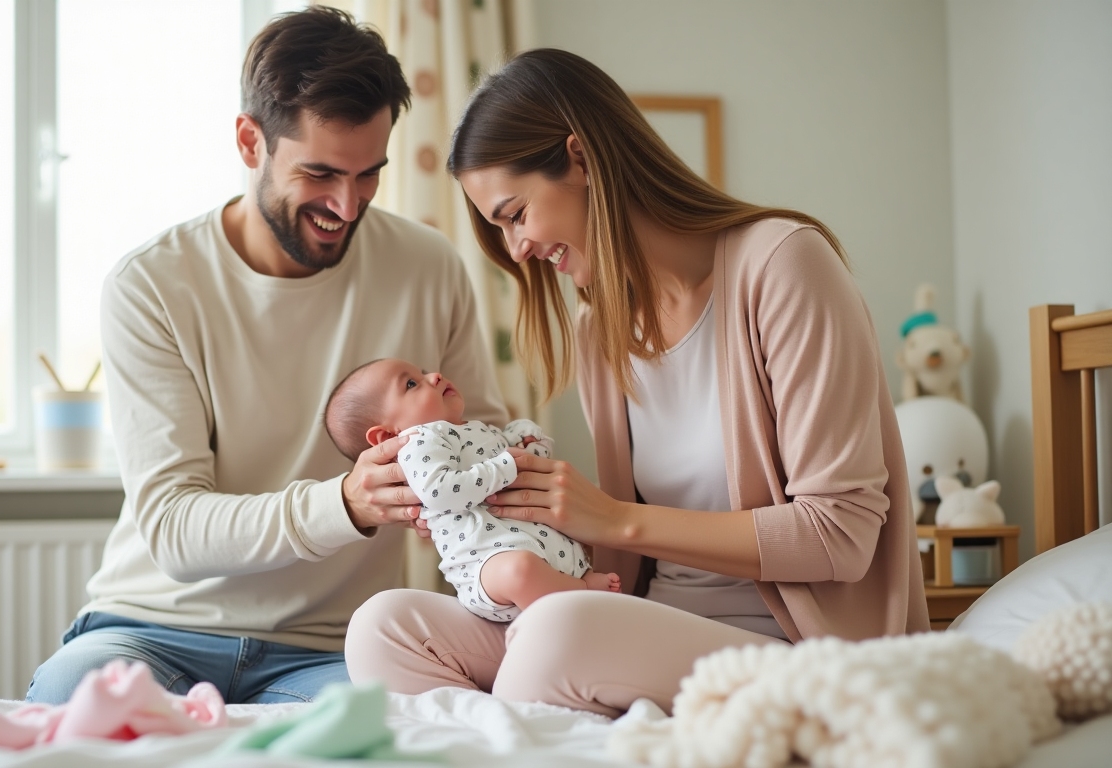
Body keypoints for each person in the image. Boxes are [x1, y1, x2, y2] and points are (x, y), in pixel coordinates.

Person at [345, 49, 930, 717]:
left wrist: (615, 517)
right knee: (383, 629)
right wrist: (491, 523)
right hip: (643, 624)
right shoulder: (603, 330)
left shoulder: (784, 264)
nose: (517, 249)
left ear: (582, 159)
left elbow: (840, 535)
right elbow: (624, 556)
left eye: (515, 213)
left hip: (791, 645)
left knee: (558, 636)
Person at [24, 7, 507, 705]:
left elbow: (481, 452)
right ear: (250, 141)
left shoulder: (428, 268)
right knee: (73, 705)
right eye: (320, 173)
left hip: (336, 647)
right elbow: (173, 527)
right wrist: (346, 503)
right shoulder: (152, 286)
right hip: (150, 628)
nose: (347, 205)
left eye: (369, 174)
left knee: (405, 731)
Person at [324, 358, 620, 622]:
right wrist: (506, 464)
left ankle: (569, 595)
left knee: (543, 555)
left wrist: (528, 444)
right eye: (412, 383)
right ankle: (578, 592)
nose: (436, 375)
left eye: (425, 372)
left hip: (538, 548)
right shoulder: (417, 442)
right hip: (487, 565)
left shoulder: (470, 430)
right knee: (520, 571)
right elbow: (442, 491)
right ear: (388, 435)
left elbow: (528, 472)